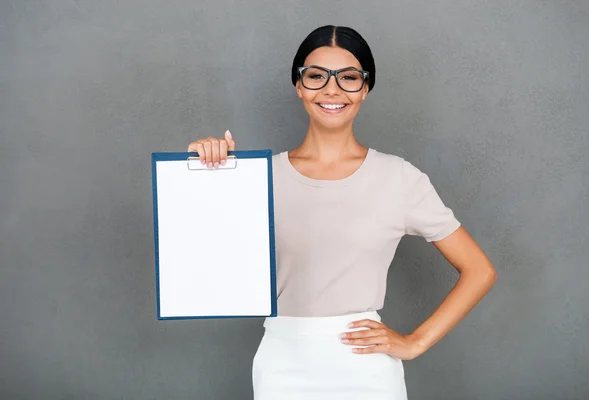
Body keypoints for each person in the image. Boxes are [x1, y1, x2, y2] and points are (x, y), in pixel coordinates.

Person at [187, 25, 497, 400]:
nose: (331, 89)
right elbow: (205, 256)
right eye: (316, 76)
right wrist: (210, 173)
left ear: (365, 88)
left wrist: (415, 342)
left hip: (365, 365)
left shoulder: (398, 177)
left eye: (348, 78)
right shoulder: (257, 177)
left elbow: (480, 270)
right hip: (282, 362)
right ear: (299, 85)